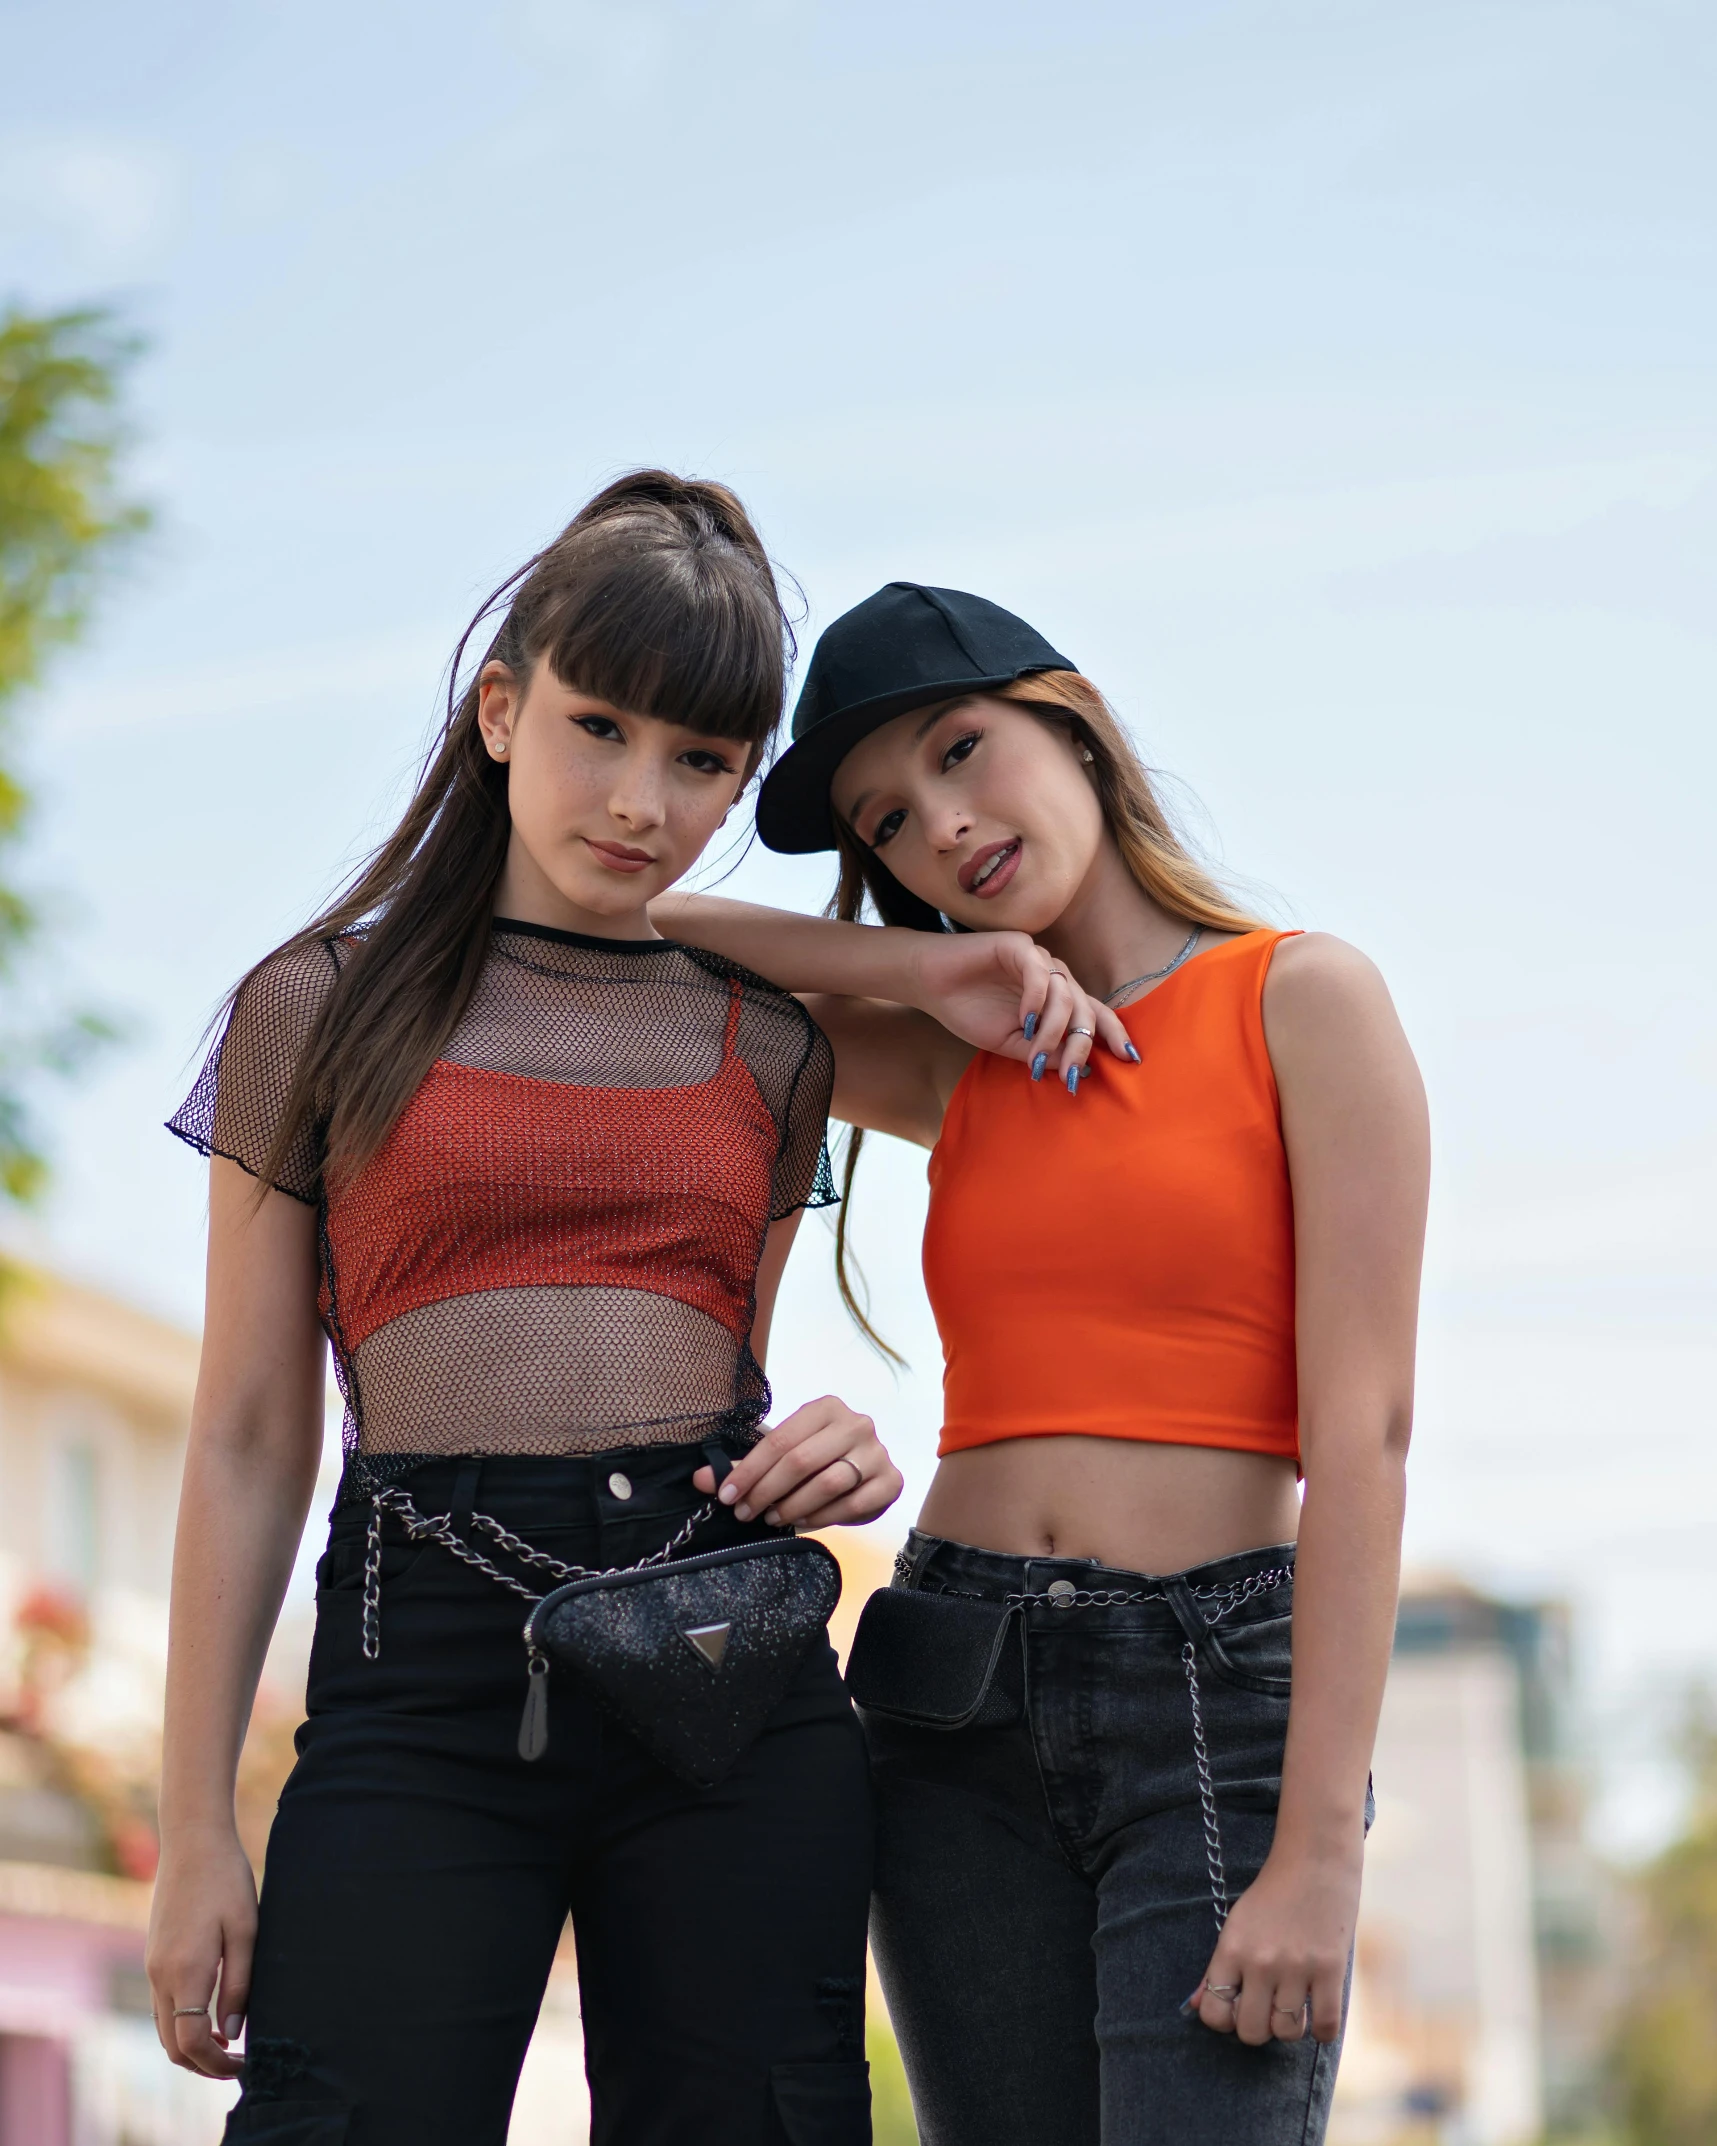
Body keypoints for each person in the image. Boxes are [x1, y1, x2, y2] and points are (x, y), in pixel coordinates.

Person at [145, 477, 929, 2146]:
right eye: (599, 725)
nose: (643, 798)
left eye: (704, 760)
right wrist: (196, 1818)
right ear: (500, 707)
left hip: (731, 1681)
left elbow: (728, 1368)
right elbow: (248, 1434)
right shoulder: (317, 1007)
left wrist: (828, 1446)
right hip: (416, 1669)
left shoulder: (773, 1044)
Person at [653, 582, 1431, 2146]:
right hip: (950, 1693)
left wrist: (1318, 1857)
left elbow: (1370, 1437)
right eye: (885, 819)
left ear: (1071, 720)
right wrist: (931, 975)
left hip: (1211, 1703)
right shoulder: (963, 1055)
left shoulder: (1299, 996)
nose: (939, 825)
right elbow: (637, 933)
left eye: (963, 750)